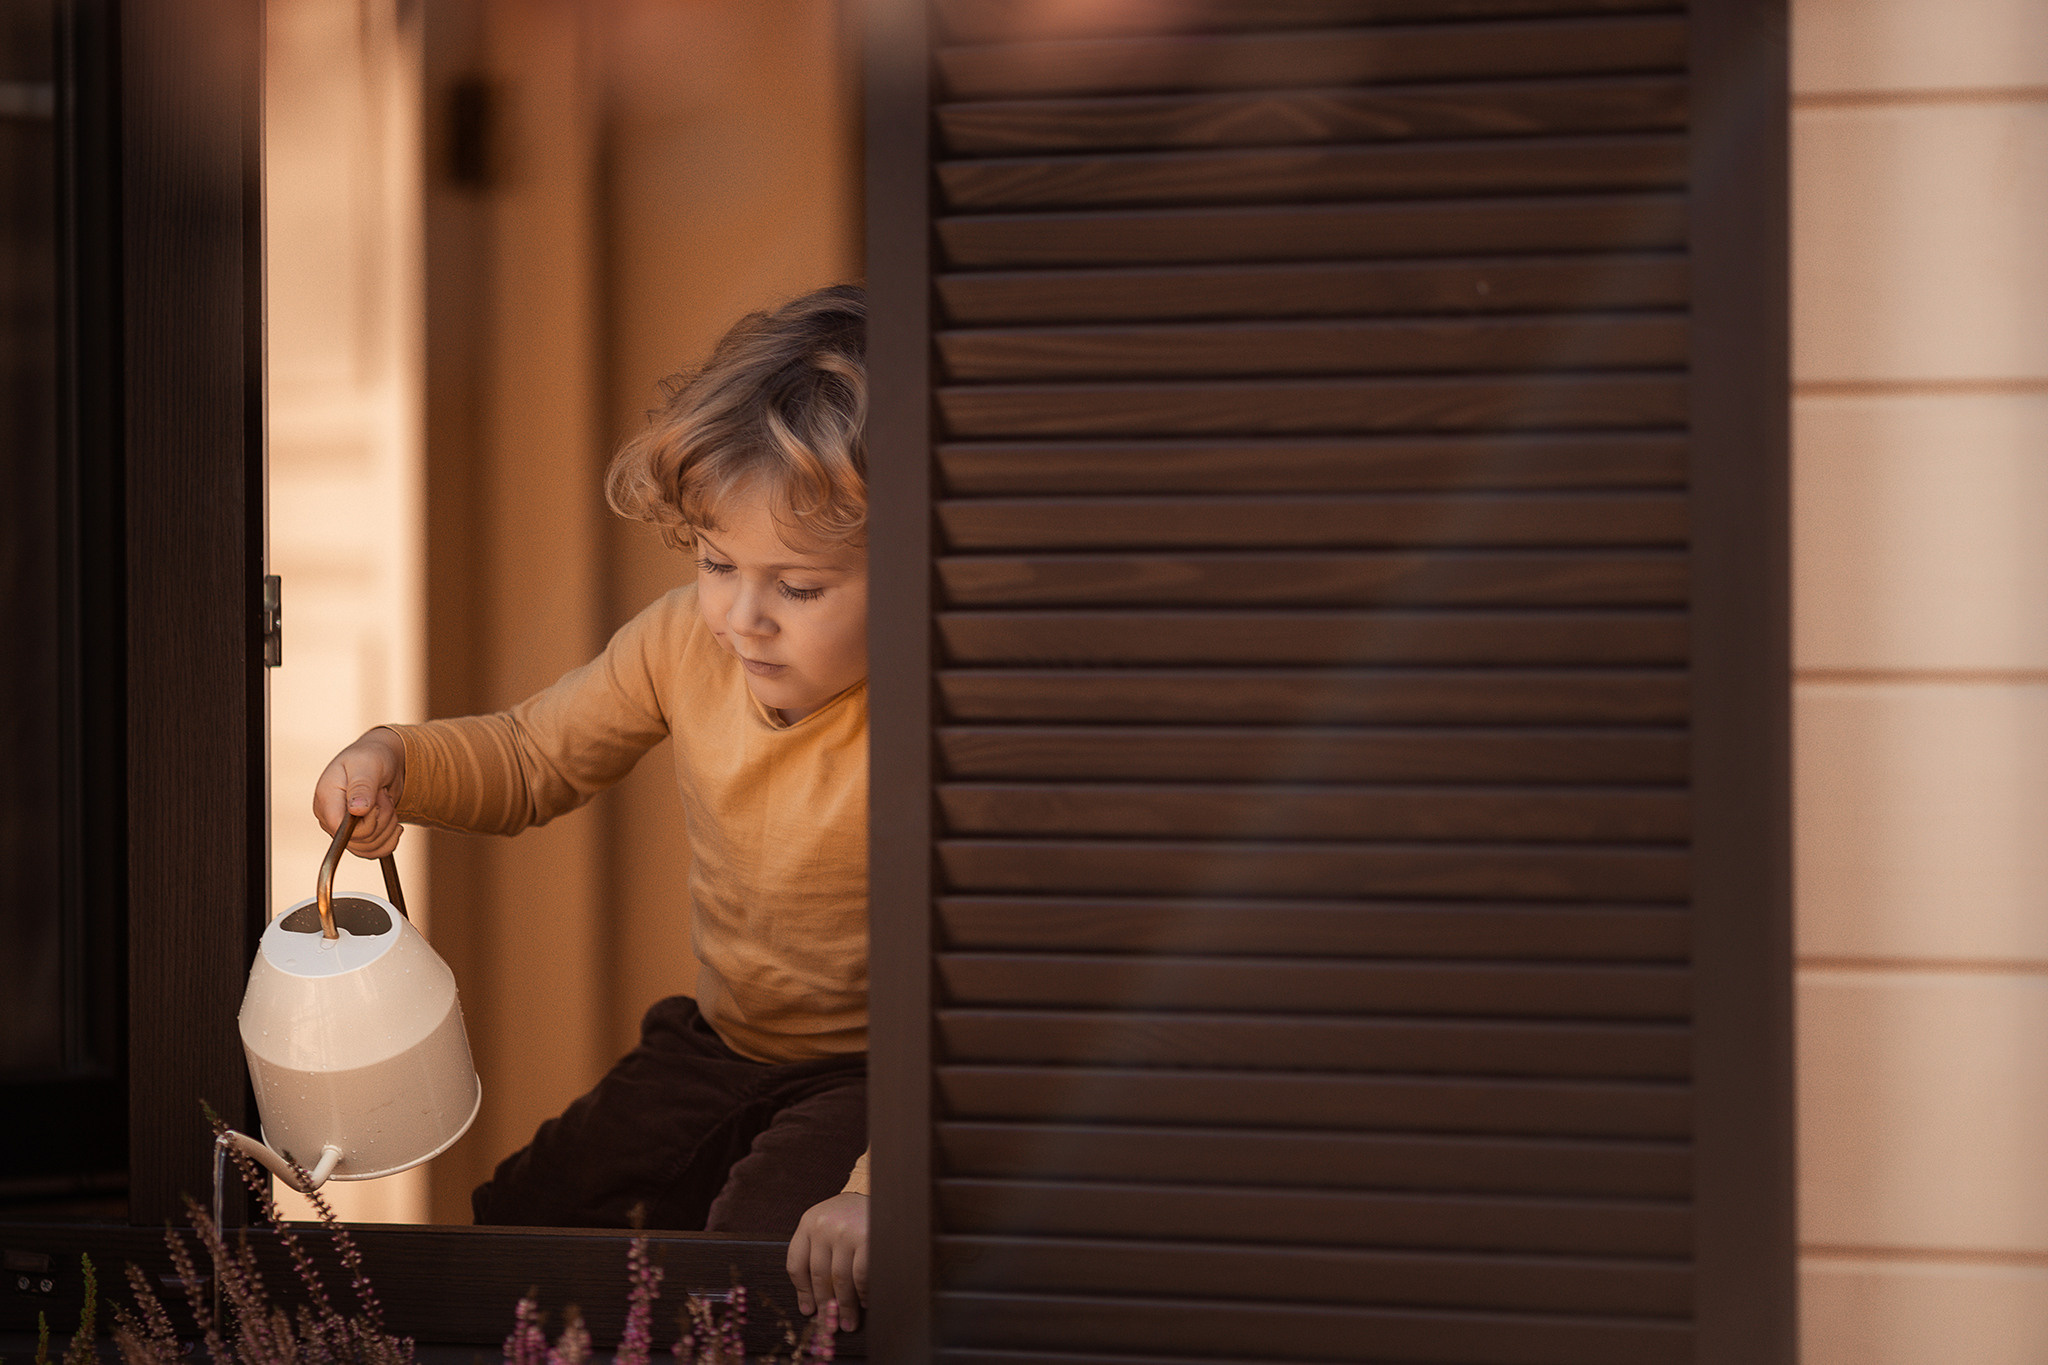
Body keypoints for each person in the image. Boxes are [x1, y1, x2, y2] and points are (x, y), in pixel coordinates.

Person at [312, 285, 872, 1331]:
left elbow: (1000, 978)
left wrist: (880, 1185)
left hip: (878, 1073)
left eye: (798, 588)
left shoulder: (938, 722)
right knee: (528, 1215)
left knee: (764, 1266)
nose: (742, 617)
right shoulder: (681, 642)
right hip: (721, 1040)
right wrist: (396, 759)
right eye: (716, 564)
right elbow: (532, 756)